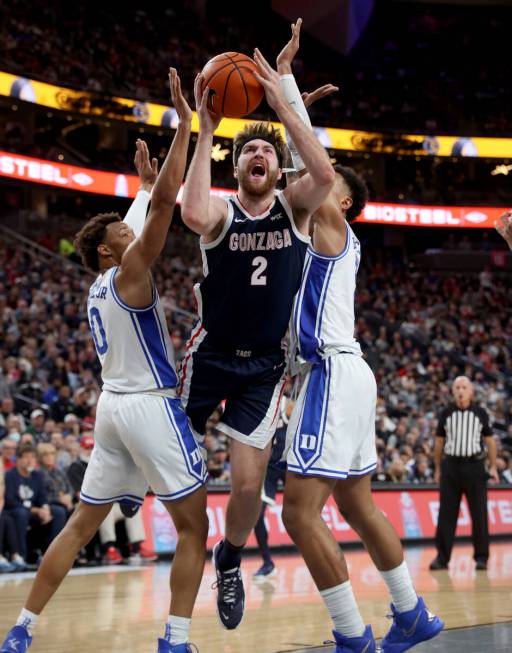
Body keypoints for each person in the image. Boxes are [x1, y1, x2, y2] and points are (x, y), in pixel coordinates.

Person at [0, 69, 207, 653]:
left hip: (111, 409)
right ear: (107, 251)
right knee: (196, 525)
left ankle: (21, 630)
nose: (130, 227)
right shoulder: (131, 271)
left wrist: (139, 189)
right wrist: (186, 127)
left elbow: (142, 211)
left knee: (80, 524)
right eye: (122, 228)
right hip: (146, 405)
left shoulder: (100, 284)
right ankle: (176, 639)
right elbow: (165, 206)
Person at [276, 20, 443, 653]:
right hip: (350, 373)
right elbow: (305, 169)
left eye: (333, 181)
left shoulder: (331, 224)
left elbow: (310, 165)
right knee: (357, 506)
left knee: (297, 512)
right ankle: (412, 613)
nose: (324, 180)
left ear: (344, 203)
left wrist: (285, 88)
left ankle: (352, 636)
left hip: (330, 371)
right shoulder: (325, 230)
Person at [180, 44, 335, 628]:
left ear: (276, 167)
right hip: (211, 353)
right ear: (238, 166)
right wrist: (206, 130)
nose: (258, 154)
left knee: (246, 490)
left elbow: (322, 172)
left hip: (266, 367)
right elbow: (191, 214)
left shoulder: (294, 211)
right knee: (172, 458)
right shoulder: (221, 214)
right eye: (248, 151)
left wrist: (282, 103)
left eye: (267, 149)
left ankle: (229, 559)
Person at [430, 376, 498, 572]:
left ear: (471, 392)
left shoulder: (480, 413)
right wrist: (437, 468)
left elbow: (490, 441)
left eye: (464, 387)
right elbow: (439, 443)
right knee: (446, 515)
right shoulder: (446, 413)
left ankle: (481, 558)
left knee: (479, 514)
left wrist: (492, 467)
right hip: (451, 467)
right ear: (453, 391)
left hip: (475, 467)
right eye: (457, 387)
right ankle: (442, 558)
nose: (460, 390)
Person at [253, 395, 290, 579]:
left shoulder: (285, 403)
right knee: (256, 516)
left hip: (289, 463)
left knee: (305, 514)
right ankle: (267, 562)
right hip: (268, 467)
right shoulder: (254, 401)